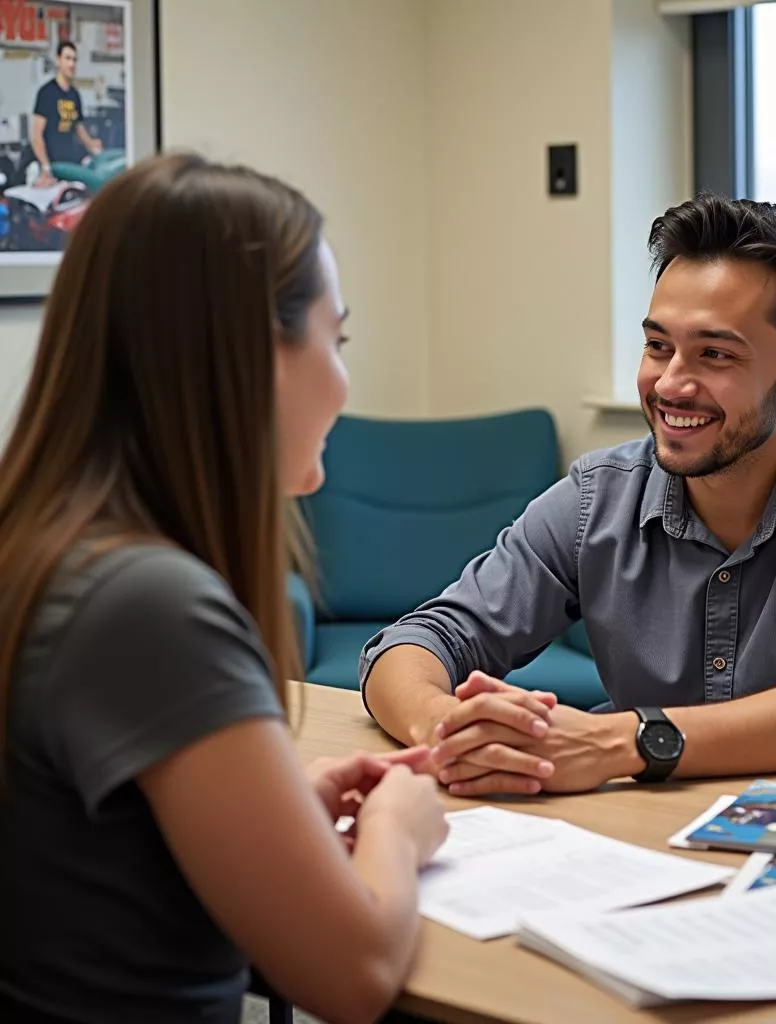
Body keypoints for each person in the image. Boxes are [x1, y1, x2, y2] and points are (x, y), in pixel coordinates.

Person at [0, 152, 448, 1024]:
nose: (345, 380)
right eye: (338, 338)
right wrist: (402, 824)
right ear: (253, 355)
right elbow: (351, 978)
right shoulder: (150, 606)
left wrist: (277, 813)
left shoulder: (44, 550)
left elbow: (80, 859)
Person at [360, 194, 776, 798]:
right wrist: (448, 731)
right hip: (642, 847)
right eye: (658, 346)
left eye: (715, 354)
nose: (670, 384)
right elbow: (422, 640)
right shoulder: (598, 497)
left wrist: (622, 742)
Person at [31, 41, 104, 188]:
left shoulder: (74, 94)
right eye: (67, 58)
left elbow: (77, 126)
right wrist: (46, 167)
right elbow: (36, 135)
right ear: (58, 60)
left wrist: (91, 144)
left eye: (74, 59)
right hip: (54, 165)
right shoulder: (47, 93)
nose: (71, 64)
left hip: (71, 163)